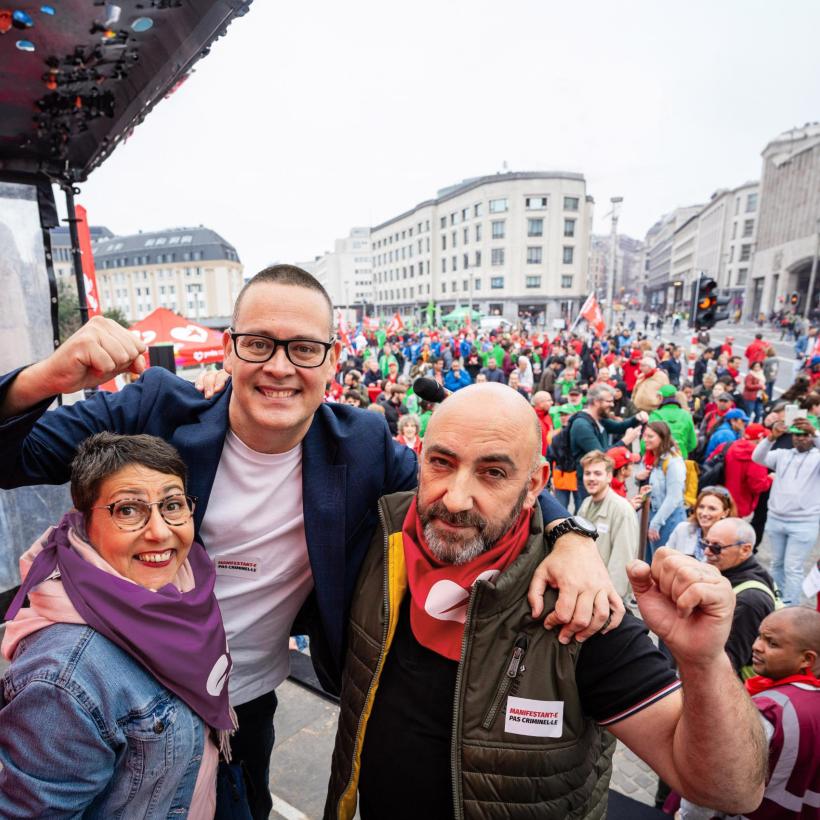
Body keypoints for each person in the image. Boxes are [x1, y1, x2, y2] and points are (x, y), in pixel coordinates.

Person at [0, 265, 621, 819]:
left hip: (246, 708)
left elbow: (472, 483)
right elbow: (13, 458)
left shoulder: (362, 444)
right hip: (121, 705)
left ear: (330, 360)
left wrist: (571, 532)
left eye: (302, 348)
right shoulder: (157, 408)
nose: (278, 366)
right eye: (260, 344)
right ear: (229, 350)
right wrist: (44, 378)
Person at [323, 383, 767, 820]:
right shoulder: (376, 537)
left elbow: (730, 790)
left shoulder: (579, 605)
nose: (456, 498)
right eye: (441, 462)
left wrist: (704, 663)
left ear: (535, 482)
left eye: (493, 473)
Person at [0, 433, 233, 816]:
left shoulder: (183, 583)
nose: (159, 531)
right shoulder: (64, 679)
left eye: (172, 505)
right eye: (128, 510)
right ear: (85, 521)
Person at [743, 608, 820, 820]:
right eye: (759, 636)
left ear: (807, 659)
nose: (756, 646)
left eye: (772, 643)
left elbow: (724, 775)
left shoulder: (769, 709)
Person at [753, 417, 820, 605]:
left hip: (804, 522)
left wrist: (815, 433)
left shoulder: (817, 457)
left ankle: (791, 606)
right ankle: (778, 600)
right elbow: (757, 457)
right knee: (777, 564)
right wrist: (770, 438)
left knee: (793, 568)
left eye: (805, 435)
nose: (800, 439)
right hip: (776, 519)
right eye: (797, 434)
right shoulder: (782, 454)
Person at [703, 518, 778, 679]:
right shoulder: (746, 573)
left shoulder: (749, 601)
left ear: (745, 549)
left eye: (716, 547)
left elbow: (727, 665)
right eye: (705, 543)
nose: (707, 552)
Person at [577, 451, 640, 599]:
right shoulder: (586, 504)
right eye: (588, 473)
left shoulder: (622, 511)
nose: (591, 478)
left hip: (607, 596)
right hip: (588, 588)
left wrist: (610, 600)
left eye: (598, 473)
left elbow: (622, 562)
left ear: (609, 476)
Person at [569, 383, 647, 500]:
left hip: (600, 477)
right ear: (596, 402)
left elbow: (618, 427)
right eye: (608, 401)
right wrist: (625, 441)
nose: (612, 404)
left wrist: (636, 419)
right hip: (588, 482)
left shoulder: (598, 418)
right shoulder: (582, 425)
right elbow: (601, 455)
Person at [636, 421, 686, 561]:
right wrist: (637, 477)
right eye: (644, 436)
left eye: (650, 436)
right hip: (649, 515)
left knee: (662, 564)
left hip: (667, 519)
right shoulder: (649, 456)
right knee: (647, 560)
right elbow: (645, 483)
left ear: (662, 437)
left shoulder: (673, 462)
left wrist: (655, 523)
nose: (645, 439)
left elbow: (674, 497)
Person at [666, 486, 737, 560]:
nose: (704, 513)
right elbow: (665, 558)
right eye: (701, 507)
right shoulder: (682, 529)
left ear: (725, 513)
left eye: (712, 508)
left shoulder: (730, 541)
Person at [649, 384, 697, 459]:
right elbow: (693, 443)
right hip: (681, 458)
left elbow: (645, 443)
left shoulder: (655, 415)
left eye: (658, 397)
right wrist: (682, 449)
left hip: (660, 458)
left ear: (661, 398)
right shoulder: (686, 415)